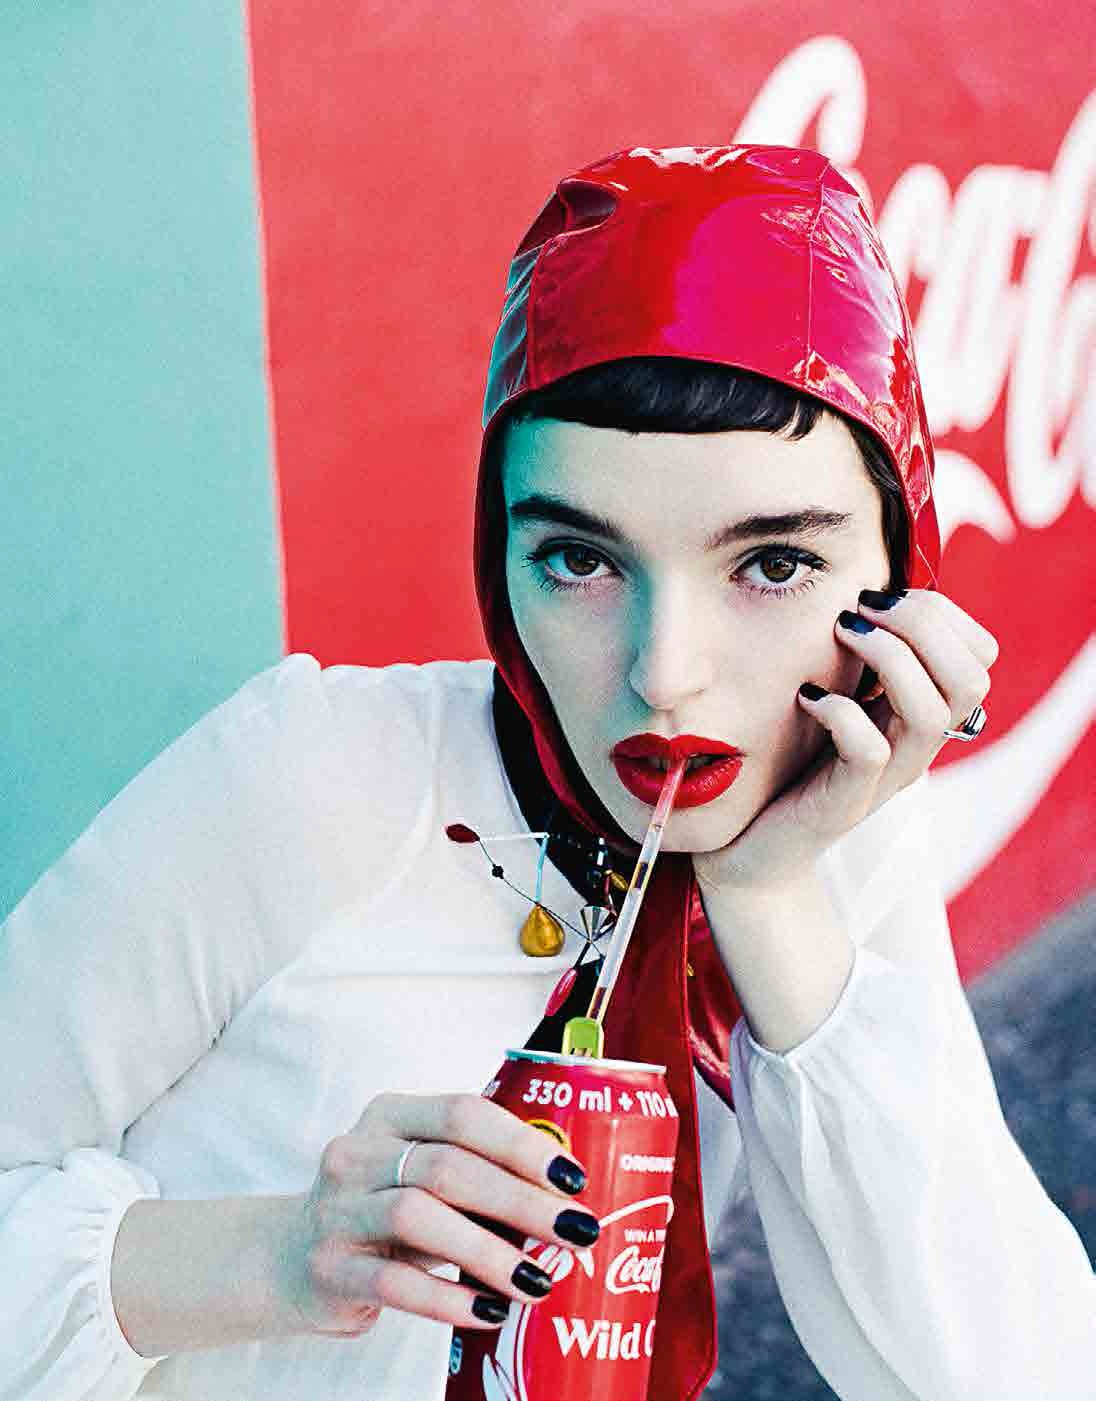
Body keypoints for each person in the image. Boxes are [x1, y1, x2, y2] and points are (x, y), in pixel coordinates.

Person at [1, 145, 1092, 1401]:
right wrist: (287, 1255)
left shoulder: (822, 830)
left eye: (773, 565)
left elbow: (1010, 1375)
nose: (664, 674)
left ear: (898, 575)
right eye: (579, 559)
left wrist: (766, 897)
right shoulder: (314, 779)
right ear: (497, 558)